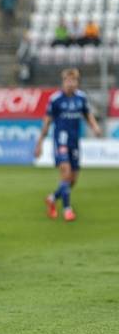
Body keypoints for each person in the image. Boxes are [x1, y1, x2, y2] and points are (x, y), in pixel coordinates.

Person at [34, 69, 102, 221]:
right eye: (68, 81)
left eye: (74, 81)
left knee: (72, 180)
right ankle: (67, 209)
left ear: (77, 82)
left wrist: (95, 127)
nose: (71, 84)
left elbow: (87, 114)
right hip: (61, 142)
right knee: (66, 172)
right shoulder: (56, 99)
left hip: (74, 143)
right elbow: (47, 122)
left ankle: (52, 198)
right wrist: (39, 143)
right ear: (63, 81)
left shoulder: (81, 98)